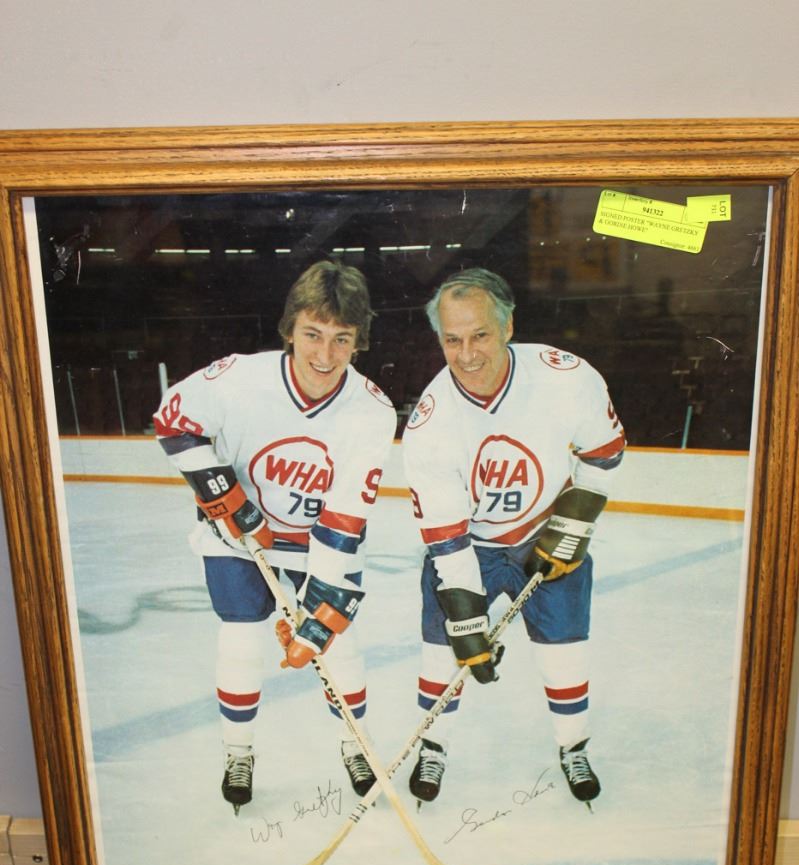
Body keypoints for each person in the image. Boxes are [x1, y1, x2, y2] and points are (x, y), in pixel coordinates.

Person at [153, 261, 397, 811]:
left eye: (342, 339)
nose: (325, 355)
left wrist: (321, 606)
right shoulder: (239, 378)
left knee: (338, 644)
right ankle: (238, 752)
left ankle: (355, 744)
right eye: (312, 334)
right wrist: (225, 495)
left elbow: (343, 517)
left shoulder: (372, 409)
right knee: (240, 640)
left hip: (319, 544)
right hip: (237, 540)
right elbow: (172, 421)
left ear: (358, 342)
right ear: (290, 329)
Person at [401, 268, 625, 804]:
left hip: (543, 528)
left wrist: (572, 526)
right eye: (452, 340)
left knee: (565, 653)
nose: (467, 355)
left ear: (508, 326)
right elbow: (446, 537)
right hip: (471, 547)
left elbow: (603, 454)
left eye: (480, 334)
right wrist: (465, 617)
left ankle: (573, 747)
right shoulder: (429, 424)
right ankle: (434, 747)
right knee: (443, 654)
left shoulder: (565, 377)